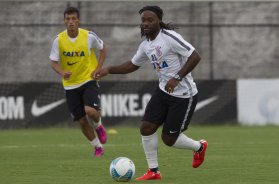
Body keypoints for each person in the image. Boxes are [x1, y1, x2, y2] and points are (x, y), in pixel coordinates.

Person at [95, 5, 208, 180]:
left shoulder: (170, 38)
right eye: (143, 21)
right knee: (146, 128)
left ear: (159, 22)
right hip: (163, 91)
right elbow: (132, 65)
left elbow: (195, 56)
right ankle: (153, 171)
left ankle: (199, 147)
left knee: (169, 140)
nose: (145, 23)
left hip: (184, 95)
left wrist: (177, 77)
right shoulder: (146, 45)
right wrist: (108, 69)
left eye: (150, 20)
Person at [49, 7, 107, 157]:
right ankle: (97, 147)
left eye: (74, 18)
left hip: (88, 79)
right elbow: (53, 61)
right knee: (81, 121)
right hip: (70, 85)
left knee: (90, 111)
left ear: (78, 20)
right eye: (68, 19)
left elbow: (103, 49)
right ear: (64, 21)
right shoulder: (59, 40)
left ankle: (99, 125)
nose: (71, 22)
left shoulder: (88, 36)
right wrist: (62, 72)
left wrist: (98, 69)